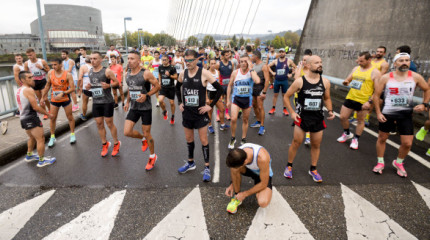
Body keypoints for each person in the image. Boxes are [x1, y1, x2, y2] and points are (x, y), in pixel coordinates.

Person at [373, 53, 429, 177]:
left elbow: (427, 89)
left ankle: (398, 163)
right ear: (395, 63)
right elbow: (376, 95)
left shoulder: (415, 77)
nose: (404, 62)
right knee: (382, 138)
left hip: (405, 114)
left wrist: (425, 104)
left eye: (407, 60)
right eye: (401, 60)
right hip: (387, 113)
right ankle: (380, 162)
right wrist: (378, 112)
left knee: (407, 143)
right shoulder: (386, 78)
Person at [283, 55, 335, 182]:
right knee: (296, 142)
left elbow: (327, 98)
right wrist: (292, 112)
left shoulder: (325, 82)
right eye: (317, 62)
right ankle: (289, 166)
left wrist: (330, 110)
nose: (320, 64)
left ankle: (313, 169)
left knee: (316, 144)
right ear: (309, 65)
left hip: (317, 118)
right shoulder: (300, 81)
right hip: (302, 118)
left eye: (321, 62)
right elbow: (286, 96)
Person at [175, 49, 224, 182]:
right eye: (186, 60)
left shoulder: (204, 73)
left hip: (200, 113)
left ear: (197, 60)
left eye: (191, 60)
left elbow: (220, 89)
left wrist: (211, 105)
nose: (188, 62)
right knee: (189, 140)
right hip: (187, 113)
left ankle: (207, 167)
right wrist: (180, 102)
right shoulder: (182, 74)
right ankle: (191, 163)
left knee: (203, 141)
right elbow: (177, 88)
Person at [124, 50, 161, 170]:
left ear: (139, 61)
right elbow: (130, 88)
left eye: (132, 59)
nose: (129, 61)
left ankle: (152, 156)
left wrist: (147, 95)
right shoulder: (127, 74)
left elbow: (158, 86)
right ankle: (143, 139)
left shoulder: (146, 73)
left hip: (145, 108)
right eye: (128, 58)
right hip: (134, 107)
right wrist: (127, 101)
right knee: (127, 132)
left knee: (147, 132)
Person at [337, 52, 381, 150]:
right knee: (343, 117)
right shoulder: (356, 68)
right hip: (351, 97)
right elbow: (348, 79)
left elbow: (377, 91)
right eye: (358, 60)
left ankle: (355, 139)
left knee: (360, 121)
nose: (359, 62)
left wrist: (369, 102)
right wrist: (346, 82)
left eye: (362, 61)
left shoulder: (375, 72)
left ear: (369, 60)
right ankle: (347, 133)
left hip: (363, 101)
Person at [16, 71, 56, 167]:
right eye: (29, 77)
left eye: (32, 76)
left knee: (32, 137)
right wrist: (48, 114)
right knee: (40, 139)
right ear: (22, 80)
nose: (32, 79)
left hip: (23, 118)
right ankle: (42, 161)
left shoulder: (19, 90)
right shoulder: (29, 90)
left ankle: (29, 156)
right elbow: (35, 107)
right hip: (31, 118)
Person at [85, 51, 121, 157]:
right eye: (91, 58)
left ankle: (116, 143)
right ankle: (105, 144)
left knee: (109, 123)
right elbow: (93, 84)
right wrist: (89, 86)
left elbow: (117, 83)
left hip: (107, 101)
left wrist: (108, 86)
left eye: (95, 58)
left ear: (101, 60)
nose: (92, 60)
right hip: (96, 101)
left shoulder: (107, 71)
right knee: (99, 124)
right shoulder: (90, 71)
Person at [225, 143, 273, 214]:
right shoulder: (239, 152)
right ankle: (237, 197)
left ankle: (261, 191)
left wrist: (244, 194)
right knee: (234, 169)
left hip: (262, 177)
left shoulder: (262, 158)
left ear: (245, 162)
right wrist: (232, 184)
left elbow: (264, 183)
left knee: (263, 202)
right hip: (250, 171)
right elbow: (234, 166)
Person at [227, 54, 261, 149]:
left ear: (249, 62)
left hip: (247, 99)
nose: (243, 63)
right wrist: (227, 100)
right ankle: (233, 138)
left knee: (245, 120)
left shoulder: (251, 72)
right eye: (241, 61)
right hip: (236, 99)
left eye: (245, 61)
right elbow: (229, 85)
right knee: (233, 118)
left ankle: (243, 139)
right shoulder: (235, 72)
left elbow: (257, 80)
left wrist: (251, 68)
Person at [42, 58, 76, 147]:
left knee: (70, 117)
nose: (53, 67)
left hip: (65, 98)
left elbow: (73, 88)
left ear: (61, 65)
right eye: (52, 65)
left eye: (55, 65)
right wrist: (43, 97)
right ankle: (52, 137)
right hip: (54, 99)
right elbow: (48, 85)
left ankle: (72, 134)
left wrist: (63, 93)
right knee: (52, 118)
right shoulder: (50, 73)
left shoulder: (67, 74)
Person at [267, 48, 296, 116]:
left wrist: (291, 74)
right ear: (279, 53)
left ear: (285, 53)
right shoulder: (276, 61)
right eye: (280, 52)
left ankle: (284, 109)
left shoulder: (288, 61)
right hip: (277, 80)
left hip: (284, 81)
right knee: (275, 95)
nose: (281, 53)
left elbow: (295, 67)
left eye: (282, 52)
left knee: (284, 96)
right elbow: (267, 66)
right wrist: (272, 72)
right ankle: (273, 108)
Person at [24, 48, 50, 120]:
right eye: (28, 55)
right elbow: (25, 74)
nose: (30, 57)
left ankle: (50, 110)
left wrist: (41, 68)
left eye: (31, 55)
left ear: (34, 53)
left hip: (42, 81)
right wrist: (29, 79)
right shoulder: (27, 63)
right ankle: (45, 113)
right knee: (39, 99)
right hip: (34, 82)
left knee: (44, 98)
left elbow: (48, 70)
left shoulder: (42, 61)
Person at [294, 49, 313, 145]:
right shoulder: (300, 68)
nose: (304, 62)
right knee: (300, 114)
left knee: (307, 116)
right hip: (298, 96)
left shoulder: (312, 71)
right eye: (303, 60)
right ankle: (299, 128)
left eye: (306, 60)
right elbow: (296, 78)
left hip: (309, 97)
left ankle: (308, 137)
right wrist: (300, 67)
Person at [250, 50, 270, 135]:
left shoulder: (264, 66)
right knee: (254, 105)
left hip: (260, 89)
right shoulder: (254, 66)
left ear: (256, 57)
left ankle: (262, 126)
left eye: (252, 56)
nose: (251, 58)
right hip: (253, 89)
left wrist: (264, 92)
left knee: (260, 107)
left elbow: (267, 80)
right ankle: (258, 121)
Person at [207, 59, 230, 133]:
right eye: (212, 63)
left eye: (214, 63)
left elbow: (219, 84)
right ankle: (210, 126)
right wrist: (206, 98)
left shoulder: (218, 72)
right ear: (209, 64)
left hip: (217, 93)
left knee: (222, 109)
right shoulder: (207, 73)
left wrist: (220, 95)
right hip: (210, 93)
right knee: (210, 111)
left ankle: (222, 125)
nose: (213, 65)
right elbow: (203, 86)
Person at [158, 54, 178, 124]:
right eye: (162, 60)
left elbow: (176, 77)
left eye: (165, 60)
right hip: (163, 87)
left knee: (172, 103)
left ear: (168, 60)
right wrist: (159, 82)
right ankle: (165, 111)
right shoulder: (160, 67)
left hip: (171, 88)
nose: (164, 61)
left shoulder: (172, 68)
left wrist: (169, 75)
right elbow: (159, 74)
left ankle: (172, 116)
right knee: (160, 100)